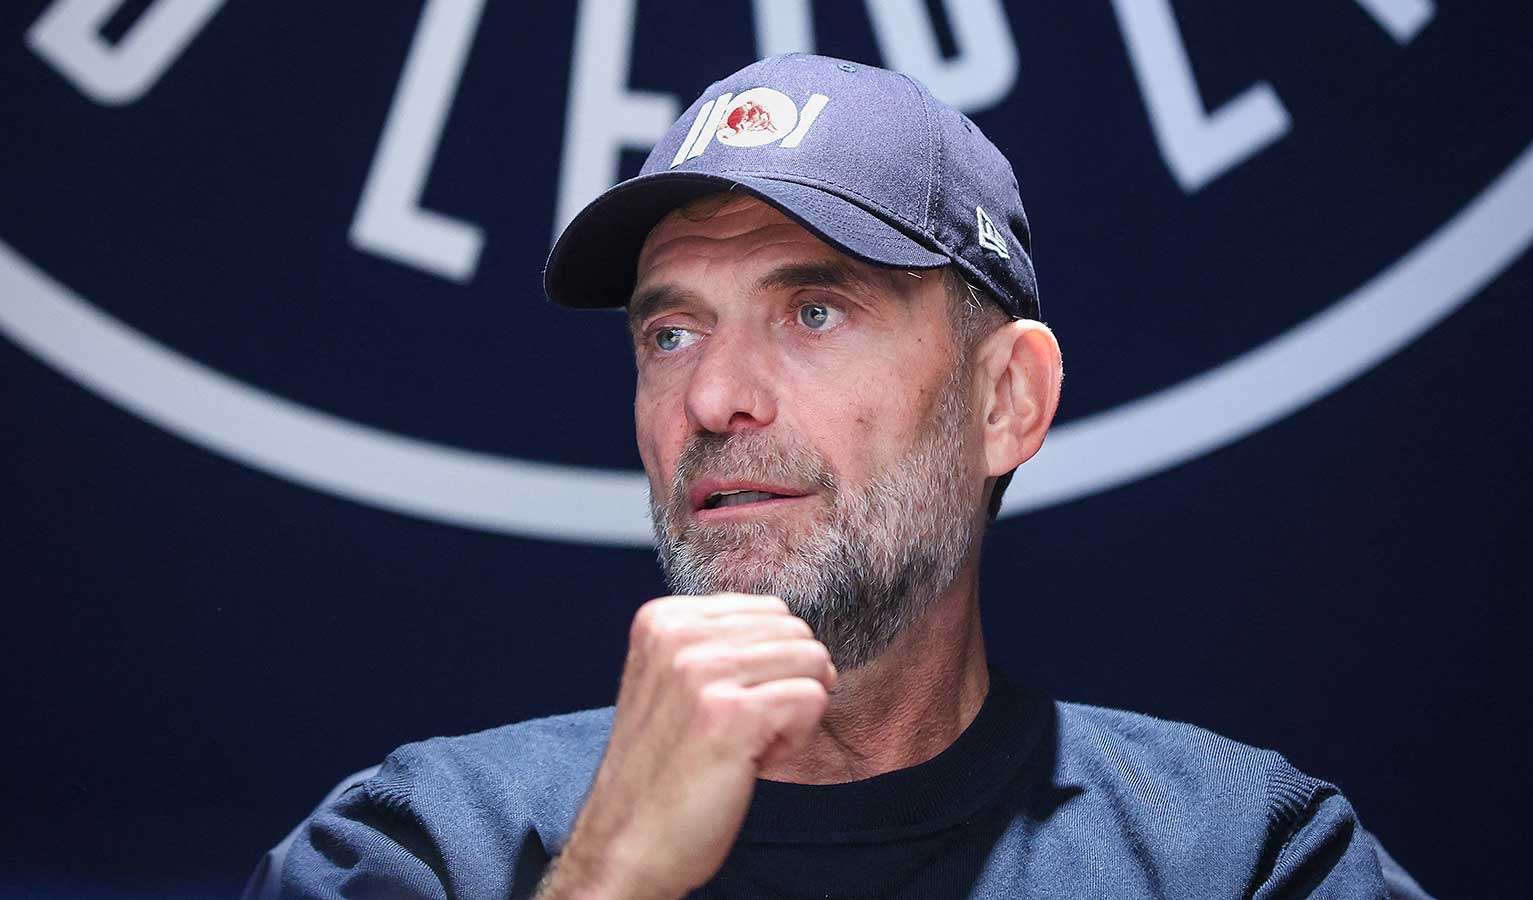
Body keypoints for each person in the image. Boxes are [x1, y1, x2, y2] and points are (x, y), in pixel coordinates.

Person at [250, 54, 1427, 900]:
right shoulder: (420, 848)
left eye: (814, 310)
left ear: (1004, 402)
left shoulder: (1236, 858)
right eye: (671, 333)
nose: (714, 398)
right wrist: (612, 879)